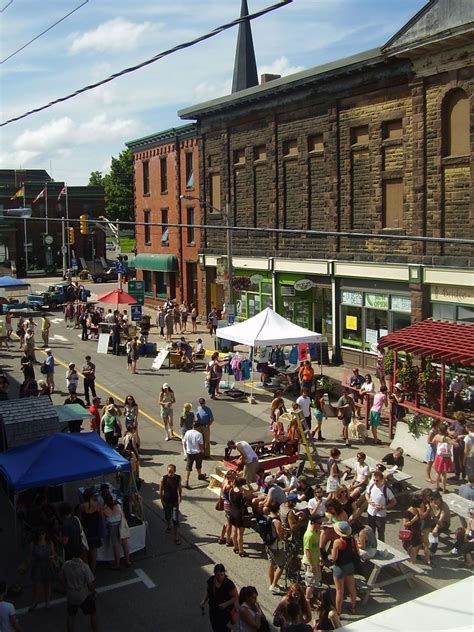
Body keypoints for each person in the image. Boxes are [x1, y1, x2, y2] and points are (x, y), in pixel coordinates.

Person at [60, 551, 97, 632]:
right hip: (83, 594)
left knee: (71, 616)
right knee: (93, 613)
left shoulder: (66, 565)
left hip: (71, 594)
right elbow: (90, 584)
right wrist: (94, 591)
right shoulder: (84, 567)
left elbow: (62, 579)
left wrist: (66, 587)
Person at [19, 527, 55, 611]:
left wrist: (53, 557)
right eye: (40, 534)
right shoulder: (33, 544)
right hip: (38, 566)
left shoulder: (50, 543)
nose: (41, 536)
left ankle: (47, 602)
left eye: (42, 534)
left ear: (45, 534)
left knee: (48, 585)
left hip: (47, 565)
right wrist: (24, 566)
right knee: (36, 586)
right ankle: (34, 602)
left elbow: (53, 553)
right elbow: (30, 556)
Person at [330, 521, 358, 615]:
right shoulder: (353, 540)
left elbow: (334, 558)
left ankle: (338, 612)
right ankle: (353, 607)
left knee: (339, 591)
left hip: (339, 567)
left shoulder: (337, 542)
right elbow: (357, 552)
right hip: (350, 565)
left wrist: (331, 553)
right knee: (351, 587)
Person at [200, 564, 238, 632]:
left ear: (224, 573)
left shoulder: (228, 584)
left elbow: (235, 597)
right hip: (213, 609)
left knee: (221, 627)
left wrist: (225, 604)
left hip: (224, 611)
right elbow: (208, 592)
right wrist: (203, 601)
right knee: (215, 627)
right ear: (215, 574)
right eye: (218, 575)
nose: (220, 577)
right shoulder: (211, 580)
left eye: (222, 575)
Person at [365, 470, 396, 542]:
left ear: (382, 480)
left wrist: (384, 507)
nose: (375, 482)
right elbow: (367, 493)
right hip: (371, 512)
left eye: (377, 480)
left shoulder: (386, 490)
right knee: (370, 532)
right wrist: (368, 500)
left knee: (381, 533)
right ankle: (372, 545)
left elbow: (394, 501)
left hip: (380, 515)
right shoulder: (372, 486)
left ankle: (381, 548)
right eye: (374, 480)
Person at [102, 494, 130, 569]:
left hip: (112, 528)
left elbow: (104, 522)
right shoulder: (118, 506)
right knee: (125, 544)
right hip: (121, 526)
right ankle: (128, 561)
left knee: (116, 547)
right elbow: (123, 515)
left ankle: (117, 564)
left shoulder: (104, 510)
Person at [79, 489, 103, 576]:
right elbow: (101, 518)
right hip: (95, 532)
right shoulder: (97, 505)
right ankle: (92, 572)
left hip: (86, 531)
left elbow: (80, 519)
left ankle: (86, 572)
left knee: (85, 552)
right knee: (93, 554)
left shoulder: (82, 506)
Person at [302, 515, 322, 607]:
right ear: (313, 523)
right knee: (310, 583)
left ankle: (310, 597)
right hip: (310, 562)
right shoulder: (309, 535)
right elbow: (307, 551)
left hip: (315, 561)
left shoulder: (317, 532)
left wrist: (320, 556)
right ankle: (307, 602)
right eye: (319, 523)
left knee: (313, 582)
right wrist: (312, 565)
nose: (321, 525)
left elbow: (317, 546)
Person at [160, 464, 183, 545]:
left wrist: (180, 496)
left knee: (175, 519)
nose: (170, 473)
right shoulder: (164, 478)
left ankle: (176, 537)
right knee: (167, 515)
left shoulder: (178, 478)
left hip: (175, 501)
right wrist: (161, 500)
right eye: (169, 471)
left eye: (171, 471)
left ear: (174, 471)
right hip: (166, 501)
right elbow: (161, 490)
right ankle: (168, 525)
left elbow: (179, 487)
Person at [265, 504, 286, 594]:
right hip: (276, 546)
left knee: (271, 563)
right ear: (277, 510)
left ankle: (272, 583)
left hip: (268, 544)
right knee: (281, 566)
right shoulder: (276, 521)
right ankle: (273, 585)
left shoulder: (266, 518)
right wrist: (284, 533)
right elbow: (280, 536)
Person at [432, 423, 457, 493]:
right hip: (445, 457)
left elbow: (433, 442)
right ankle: (444, 489)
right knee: (444, 474)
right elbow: (455, 445)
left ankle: (437, 487)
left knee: (437, 472)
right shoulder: (446, 438)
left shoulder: (437, 436)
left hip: (438, 456)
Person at [182, 420, 207, 489]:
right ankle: (199, 475)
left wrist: (185, 450)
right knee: (198, 465)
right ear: (198, 427)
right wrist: (202, 450)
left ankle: (186, 481)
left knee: (188, 467)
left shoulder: (187, 432)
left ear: (192, 426)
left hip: (189, 453)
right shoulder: (199, 434)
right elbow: (201, 444)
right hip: (197, 453)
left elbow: (184, 442)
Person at [228, 477, 250, 557]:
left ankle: (235, 547)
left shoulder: (231, 490)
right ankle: (241, 550)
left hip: (232, 512)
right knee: (240, 534)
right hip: (240, 514)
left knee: (234, 531)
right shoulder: (242, 492)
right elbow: (252, 491)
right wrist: (248, 484)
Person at [425, 419, 441, 483]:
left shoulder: (437, 430)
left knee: (436, 463)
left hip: (436, 448)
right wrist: (435, 442)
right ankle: (428, 477)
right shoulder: (432, 431)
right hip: (432, 448)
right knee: (430, 463)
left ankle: (436, 476)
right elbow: (428, 441)